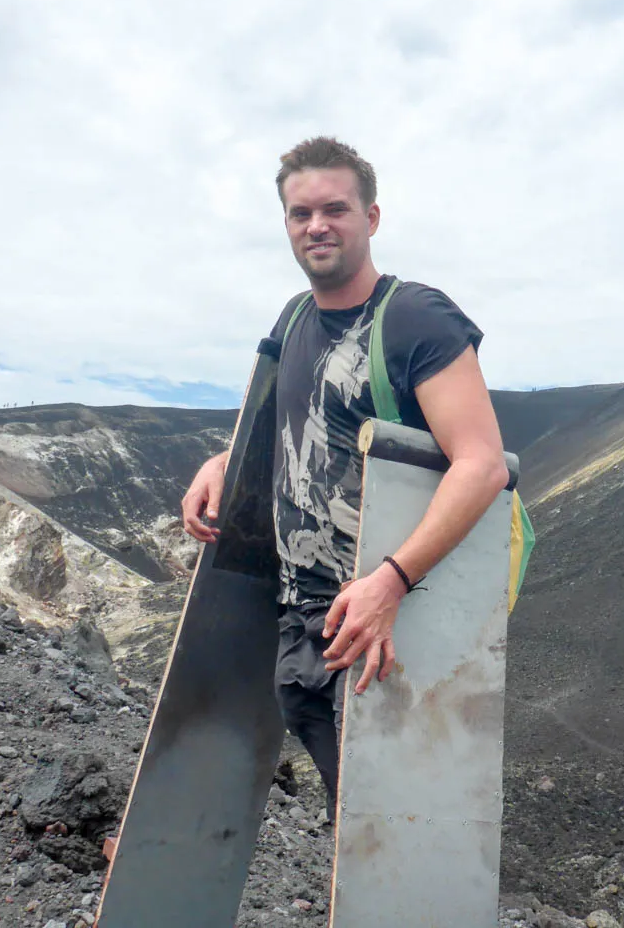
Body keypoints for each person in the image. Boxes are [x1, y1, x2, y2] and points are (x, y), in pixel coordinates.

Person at [180, 136, 509, 820]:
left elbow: (481, 464)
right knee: (357, 828)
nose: (317, 226)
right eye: (301, 214)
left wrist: (390, 581)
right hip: (306, 621)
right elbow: (285, 428)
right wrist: (225, 460)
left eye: (335, 208)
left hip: (393, 622)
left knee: (400, 828)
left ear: (372, 218)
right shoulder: (293, 319)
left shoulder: (417, 318)